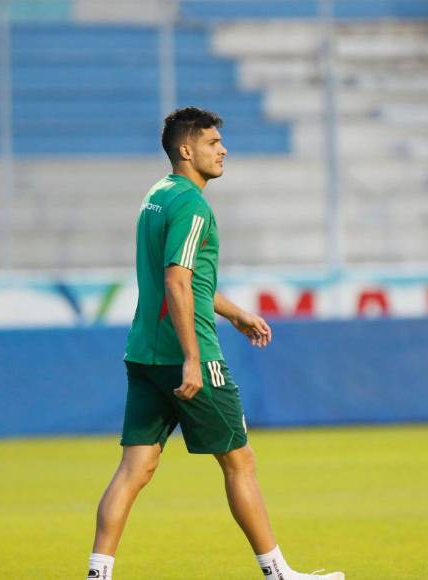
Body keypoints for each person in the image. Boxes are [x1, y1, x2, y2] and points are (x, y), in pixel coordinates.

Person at [86, 107, 345, 580]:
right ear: (186, 151)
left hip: (144, 353)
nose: (223, 150)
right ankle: (279, 574)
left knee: (135, 468)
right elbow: (177, 281)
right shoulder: (193, 206)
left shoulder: (157, 195)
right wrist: (192, 358)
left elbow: (189, 282)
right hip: (191, 355)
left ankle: (97, 573)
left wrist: (236, 313)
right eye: (212, 143)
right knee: (239, 462)